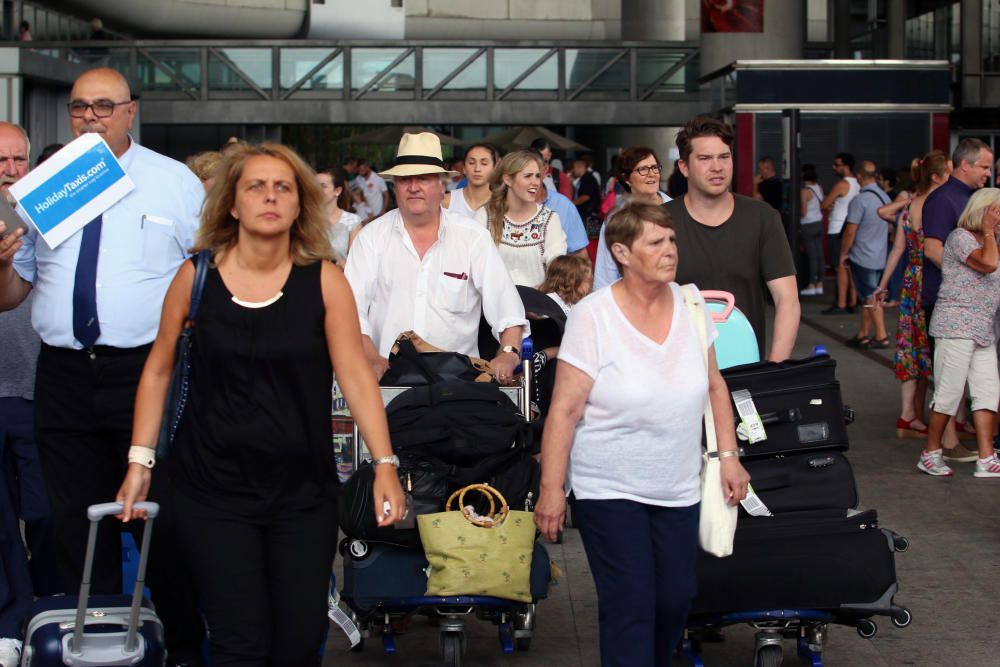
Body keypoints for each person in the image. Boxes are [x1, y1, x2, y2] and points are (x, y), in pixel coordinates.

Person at [116, 142, 406, 665]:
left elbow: (357, 379)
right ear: (232, 203)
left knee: (297, 643)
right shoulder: (195, 278)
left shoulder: (324, 281)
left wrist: (384, 464)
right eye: (256, 186)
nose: (270, 197)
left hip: (303, 494)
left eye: (283, 188)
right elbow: (158, 369)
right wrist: (140, 460)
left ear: (301, 204)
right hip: (211, 492)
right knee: (238, 642)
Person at [0, 67, 205, 666]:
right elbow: (15, 293)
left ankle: (183, 647)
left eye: (104, 107)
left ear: (130, 112)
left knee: (158, 522)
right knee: (68, 525)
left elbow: (208, 271)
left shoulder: (173, 182)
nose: (91, 117)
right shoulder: (50, 185)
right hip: (61, 374)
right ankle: (86, 647)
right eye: (79, 108)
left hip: (146, 373)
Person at [533, 201, 749, 667]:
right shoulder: (594, 316)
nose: (670, 251)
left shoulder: (692, 305)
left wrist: (729, 456)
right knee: (630, 603)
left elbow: (715, 385)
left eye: (671, 240)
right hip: (607, 487)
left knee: (675, 600)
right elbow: (564, 410)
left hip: (677, 486)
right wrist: (552, 488)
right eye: (656, 242)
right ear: (623, 253)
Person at [345, 132, 528, 383]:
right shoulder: (371, 238)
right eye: (404, 179)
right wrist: (370, 357)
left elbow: (507, 308)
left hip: (458, 384)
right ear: (395, 185)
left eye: (423, 178)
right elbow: (350, 310)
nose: (413, 186)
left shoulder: (472, 237)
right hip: (388, 379)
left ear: (442, 184)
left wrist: (508, 353)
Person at [0, 122, 61, 667]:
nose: (12, 168)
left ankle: (48, 606)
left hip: (37, 389)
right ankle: (14, 618)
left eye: (19, 158)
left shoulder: (45, 211)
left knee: (43, 512)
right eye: (2, 159)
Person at [667, 116, 800, 361]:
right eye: (705, 158)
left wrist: (774, 370)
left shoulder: (762, 218)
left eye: (724, 157)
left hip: (745, 367)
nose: (717, 167)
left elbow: (787, 298)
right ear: (684, 167)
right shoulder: (661, 222)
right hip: (677, 375)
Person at [917, 189, 1000, 478]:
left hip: (983, 329)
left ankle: (987, 458)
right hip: (956, 327)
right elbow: (988, 264)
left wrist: (992, 235)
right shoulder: (960, 237)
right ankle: (931, 453)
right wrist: (989, 232)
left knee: (988, 393)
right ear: (985, 211)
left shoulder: (992, 241)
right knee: (949, 393)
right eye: (997, 213)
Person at [873, 151, 951, 441]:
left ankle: (908, 415)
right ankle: (949, 424)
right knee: (940, 350)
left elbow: (897, 250)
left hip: (910, 282)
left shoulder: (910, 208)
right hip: (935, 279)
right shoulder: (940, 206)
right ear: (937, 176)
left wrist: (882, 285)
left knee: (911, 349)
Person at [476, 150, 568, 287]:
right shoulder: (485, 215)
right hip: (493, 304)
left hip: (537, 304)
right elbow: (475, 266)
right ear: (507, 179)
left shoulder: (550, 219)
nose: (535, 182)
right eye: (528, 176)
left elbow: (557, 273)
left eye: (537, 176)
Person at [593, 146, 671, 290]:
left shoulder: (675, 209)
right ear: (626, 178)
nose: (651, 174)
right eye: (643, 169)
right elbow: (605, 273)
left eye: (654, 168)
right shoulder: (616, 218)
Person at [839, 160, 891, 348]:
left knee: (870, 297)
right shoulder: (885, 197)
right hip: (880, 255)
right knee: (867, 297)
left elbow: (850, 231)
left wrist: (844, 253)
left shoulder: (860, 200)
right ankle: (863, 333)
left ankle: (881, 336)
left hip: (863, 256)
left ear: (859, 176)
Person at [821, 152, 861, 315]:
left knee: (840, 267)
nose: (834, 167)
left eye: (837, 165)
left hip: (837, 227)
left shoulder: (842, 184)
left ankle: (841, 303)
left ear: (846, 166)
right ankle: (853, 300)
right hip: (851, 227)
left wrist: (830, 205)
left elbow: (825, 204)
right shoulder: (858, 184)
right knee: (849, 267)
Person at [317, 166, 361, 263]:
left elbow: (356, 262)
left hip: (339, 275)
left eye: (323, 186)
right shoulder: (307, 219)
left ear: (337, 191)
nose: (317, 190)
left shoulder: (352, 221)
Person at [443, 142, 498, 219]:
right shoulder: (446, 201)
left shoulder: (501, 204)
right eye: (471, 163)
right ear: (464, 168)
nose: (477, 169)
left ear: (494, 169)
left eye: (484, 163)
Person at [799, 164, 825, 296]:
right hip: (819, 222)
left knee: (812, 256)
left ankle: (811, 284)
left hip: (808, 224)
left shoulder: (804, 191)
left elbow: (803, 212)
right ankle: (820, 283)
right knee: (820, 254)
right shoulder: (818, 188)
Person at [354, 157, 389, 223]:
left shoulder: (378, 178)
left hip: (378, 215)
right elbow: (358, 196)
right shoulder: (358, 179)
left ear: (367, 167)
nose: (360, 173)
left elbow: (386, 195)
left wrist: (384, 210)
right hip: (366, 215)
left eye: (362, 170)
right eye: (359, 171)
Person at [571, 158, 601, 227]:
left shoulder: (588, 179)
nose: (573, 170)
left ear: (580, 167)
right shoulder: (582, 179)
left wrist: (571, 203)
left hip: (589, 215)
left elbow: (586, 196)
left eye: (574, 168)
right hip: (584, 215)